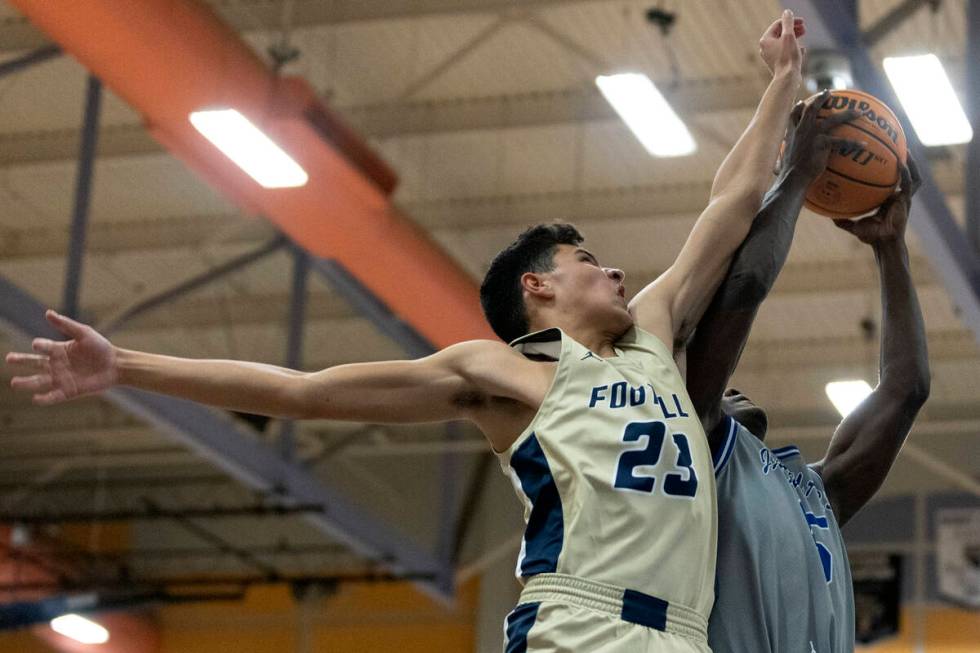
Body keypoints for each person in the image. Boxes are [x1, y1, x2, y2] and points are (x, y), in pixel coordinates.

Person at [7, 12, 807, 653]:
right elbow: (303, 392)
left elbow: (729, 203)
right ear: (538, 286)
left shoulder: (655, 334)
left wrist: (781, 84)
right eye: (589, 261)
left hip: (684, 633)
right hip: (581, 626)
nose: (619, 275)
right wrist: (127, 365)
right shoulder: (504, 373)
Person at [682, 97, 930, 652]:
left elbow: (906, 390)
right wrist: (794, 177)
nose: (734, 388)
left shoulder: (819, 492)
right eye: (725, 390)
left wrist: (891, 249)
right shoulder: (703, 456)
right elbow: (742, 289)